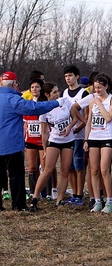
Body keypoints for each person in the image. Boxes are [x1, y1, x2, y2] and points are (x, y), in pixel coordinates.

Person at [0, 71, 64, 211]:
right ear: (14, 84)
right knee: (16, 176)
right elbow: (34, 108)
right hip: (12, 145)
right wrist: (55, 103)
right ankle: (18, 205)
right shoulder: (13, 100)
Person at [29, 82, 78, 211]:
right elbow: (44, 133)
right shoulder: (44, 109)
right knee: (48, 170)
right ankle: (35, 198)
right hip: (54, 141)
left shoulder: (65, 102)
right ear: (47, 94)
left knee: (65, 171)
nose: (58, 94)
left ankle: (59, 200)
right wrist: (45, 149)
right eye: (55, 92)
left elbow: (75, 118)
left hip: (68, 140)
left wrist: (69, 127)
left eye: (58, 91)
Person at [84, 76, 112, 213]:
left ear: (106, 87)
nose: (97, 90)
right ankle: (97, 201)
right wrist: (86, 140)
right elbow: (89, 122)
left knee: (104, 170)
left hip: (107, 137)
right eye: (95, 87)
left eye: (99, 87)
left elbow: (109, 117)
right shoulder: (93, 101)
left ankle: (109, 201)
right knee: (94, 170)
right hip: (94, 137)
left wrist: (99, 104)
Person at [62, 65, 89, 206]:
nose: (68, 79)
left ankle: (80, 194)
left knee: (79, 165)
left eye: (70, 76)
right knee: (70, 166)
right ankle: (74, 193)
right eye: (66, 76)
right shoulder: (64, 93)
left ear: (77, 76)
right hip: (68, 136)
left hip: (79, 135)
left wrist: (78, 129)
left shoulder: (83, 93)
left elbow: (87, 116)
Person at [23, 79, 48, 200]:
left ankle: (46, 193)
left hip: (42, 140)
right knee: (32, 167)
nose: (34, 89)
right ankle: (33, 192)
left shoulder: (45, 104)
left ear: (41, 89)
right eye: (32, 87)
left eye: (37, 87)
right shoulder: (27, 104)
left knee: (45, 167)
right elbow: (24, 124)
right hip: (30, 140)